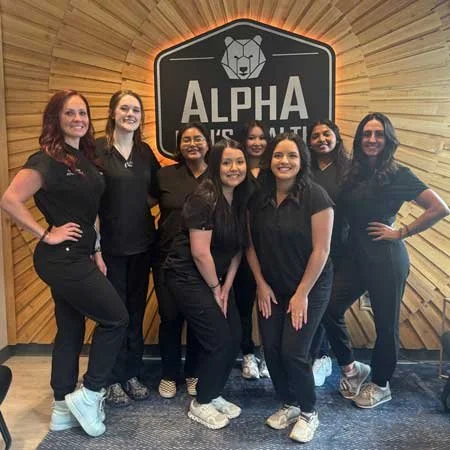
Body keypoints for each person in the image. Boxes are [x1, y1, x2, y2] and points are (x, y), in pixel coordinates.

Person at [0, 90, 129, 437]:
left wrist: (97, 251)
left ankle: (60, 407)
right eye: (70, 113)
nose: (78, 119)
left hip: (81, 254)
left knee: (70, 328)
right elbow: (9, 199)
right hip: (61, 258)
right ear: (55, 118)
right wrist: (46, 233)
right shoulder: (46, 159)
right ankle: (90, 393)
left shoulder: (83, 159)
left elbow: (91, 213)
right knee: (116, 319)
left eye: (82, 113)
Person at [323, 112, 449, 408]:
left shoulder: (399, 174)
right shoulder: (352, 173)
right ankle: (352, 368)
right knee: (329, 308)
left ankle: (381, 384)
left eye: (378, 134)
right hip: (355, 256)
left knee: (386, 325)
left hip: (386, 258)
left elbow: (439, 208)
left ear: (387, 140)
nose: (372, 139)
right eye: (367, 134)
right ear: (359, 139)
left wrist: (401, 232)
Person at [247, 132, 334, 443]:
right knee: (271, 349)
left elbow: (321, 250)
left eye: (292, 155)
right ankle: (289, 403)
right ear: (269, 160)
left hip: (310, 286)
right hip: (271, 286)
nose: (284, 161)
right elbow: (249, 245)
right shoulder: (258, 197)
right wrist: (260, 284)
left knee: (293, 351)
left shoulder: (316, 195)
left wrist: (301, 294)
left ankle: (309, 412)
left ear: (302, 160)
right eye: (278, 155)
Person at [164, 139, 251, 429]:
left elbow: (238, 249)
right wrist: (215, 289)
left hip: (218, 278)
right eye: (227, 162)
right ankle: (201, 402)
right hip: (187, 275)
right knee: (218, 340)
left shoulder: (240, 198)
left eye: (239, 161)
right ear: (215, 166)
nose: (234, 168)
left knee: (235, 337)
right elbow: (200, 252)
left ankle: (212, 394)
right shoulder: (203, 197)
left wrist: (225, 287)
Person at [95, 90, 160, 407]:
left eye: (135, 109)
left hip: (142, 246)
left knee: (134, 312)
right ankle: (110, 378)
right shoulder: (96, 150)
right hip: (109, 248)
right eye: (124, 108)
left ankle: (131, 373)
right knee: (113, 315)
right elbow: (87, 197)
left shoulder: (145, 151)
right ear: (112, 112)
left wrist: (134, 206)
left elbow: (157, 192)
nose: (130, 114)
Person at [153, 122, 211, 399]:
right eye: (186, 139)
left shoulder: (216, 176)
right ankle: (169, 373)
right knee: (170, 317)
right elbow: (142, 203)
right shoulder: (165, 175)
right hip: (166, 258)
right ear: (179, 146)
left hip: (203, 261)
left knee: (198, 319)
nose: (192, 144)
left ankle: (193, 373)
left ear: (207, 143)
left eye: (198, 139)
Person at [306, 119, 351, 387]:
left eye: (326, 134)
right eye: (315, 136)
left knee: (328, 305)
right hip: (308, 248)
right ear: (309, 142)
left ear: (336, 136)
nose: (321, 139)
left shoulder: (350, 169)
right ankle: (311, 355)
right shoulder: (306, 169)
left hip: (341, 248)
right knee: (311, 303)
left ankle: (323, 358)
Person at [233, 120, 270, 380]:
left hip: (272, 247)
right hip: (242, 245)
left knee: (270, 305)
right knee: (244, 303)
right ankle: (247, 354)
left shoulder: (273, 170)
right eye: (251, 137)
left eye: (261, 137)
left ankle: (269, 356)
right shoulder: (236, 170)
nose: (257, 143)